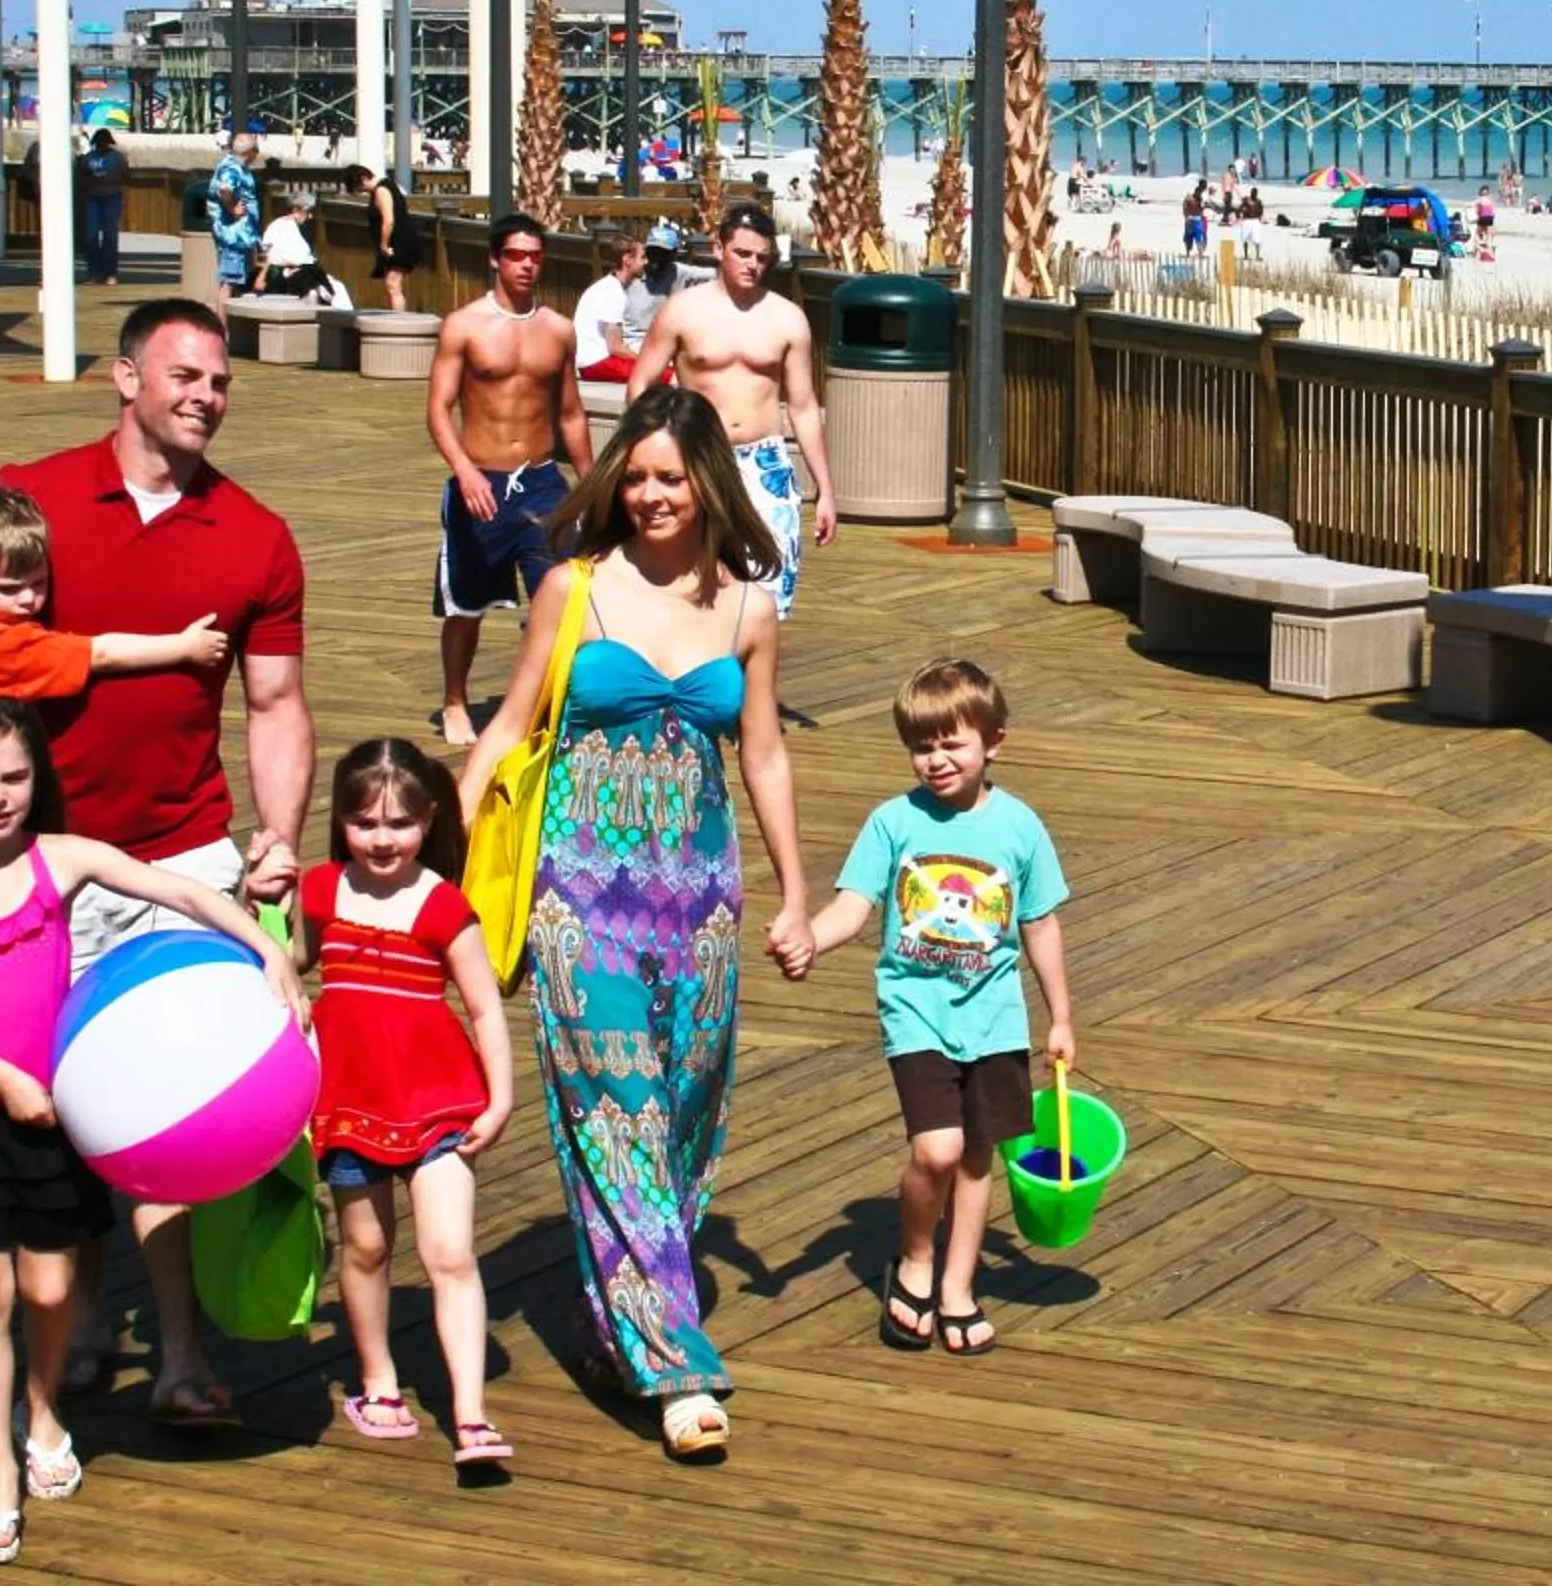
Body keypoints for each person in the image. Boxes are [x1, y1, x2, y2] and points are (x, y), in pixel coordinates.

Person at [0, 296, 314, 1424]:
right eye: (183, 375)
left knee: (168, 1097)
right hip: (31, 868)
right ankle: (71, 1326)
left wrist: (279, 836)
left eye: (219, 382)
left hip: (184, 850)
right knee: (47, 1105)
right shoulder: (30, 497)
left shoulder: (256, 535)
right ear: (125, 377)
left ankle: (177, 1353)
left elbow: (274, 702)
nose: (204, 397)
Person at [456, 385, 809, 1459]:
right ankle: (676, 1367)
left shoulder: (751, 605)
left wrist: (794, 890)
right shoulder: (572, 587)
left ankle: (615, 1313)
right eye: (640, 475)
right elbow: (507, 725)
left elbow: (764, 753)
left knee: (686, 1111)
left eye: (674, 477)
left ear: (710, 484)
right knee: (619, 1114)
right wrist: (437, 875)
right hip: (581, 894)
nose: (655, 495)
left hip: (700, 901)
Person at [0, 696, 300, 1566]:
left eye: (13, 777)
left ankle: (41, 1412)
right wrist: (3, 1080)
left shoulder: (62, 861)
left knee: (47, 1295)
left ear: (37, 781)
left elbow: (180, 888)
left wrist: (267, 950)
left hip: (50, 1123)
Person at [0, 485, 234, 1028]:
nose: (28, 601)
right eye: (11, 589)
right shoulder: (13, 647)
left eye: (38, 584)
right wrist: (182, 647)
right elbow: (103, 651)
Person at [775, 660, 1074, 1358]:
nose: (935, 760)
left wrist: (1060, 1016)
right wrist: (809, 939)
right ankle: (914, 1259)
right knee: (935, 1150)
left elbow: (1040, 925)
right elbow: (855, 905)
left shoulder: (1020, 827)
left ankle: (958, 1286)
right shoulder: (892, 822)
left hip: (996, 1017)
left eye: (952, 744)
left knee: (976, 1158)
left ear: (993, 741)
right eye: (921, 745)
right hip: (917, 1011)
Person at [298, 740, 514, 1467]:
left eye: (399, 823)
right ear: (340, 822)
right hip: (348, 1103)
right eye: (363, 823)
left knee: (449, 1252)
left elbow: (484, 1010)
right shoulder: (319, 893)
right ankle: (378, 1377)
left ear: (429, 820)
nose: (382, 839)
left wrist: (502, 1097)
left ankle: (470, 1413)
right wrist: (258, 898)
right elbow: (285, 961)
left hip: (440, 1103)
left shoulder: (445, 907)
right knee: (365, 1246)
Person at [427, 214, 594, 746]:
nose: (527, 264)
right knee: (466, 606)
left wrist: (590, 484)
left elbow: (570, 413)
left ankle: (545, 703)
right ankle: (455, 701)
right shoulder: (464, 325)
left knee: (561, 594)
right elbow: (438, 408)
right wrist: (465, 470)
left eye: (535, 255)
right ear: (496, 259)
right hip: (482, 481)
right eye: (517, 255)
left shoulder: (559, 330)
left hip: (543, 481)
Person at [626, 202, 835, 621]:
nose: (753, 265)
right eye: (743, 254)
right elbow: (641, 386)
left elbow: (804, 406)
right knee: (692, 580)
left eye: (762, 258)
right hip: (699, 455)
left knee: (771, 587)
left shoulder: (787, 318)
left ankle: (754, 684)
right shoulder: (683, 310)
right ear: (719, 249)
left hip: (764, 461)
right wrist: (643, 457)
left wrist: (825, 488)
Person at [573, 226, 679, 384]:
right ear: (627, 260)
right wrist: (645, 360)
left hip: (591, 360)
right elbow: (615, 346)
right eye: (642, 257)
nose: (647, 262)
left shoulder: (609, 285)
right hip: (595, 363)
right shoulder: (613, 292)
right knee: (669, 375)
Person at [352, 163, 420, 311]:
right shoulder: (385, 186)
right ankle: (398, 319)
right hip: (399, 241)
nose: (360, 191)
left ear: (363, 179)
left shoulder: (381, 190)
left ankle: (399, 322)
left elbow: (388, 220)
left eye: (358, 187)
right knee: (392, 284)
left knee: (393, 283)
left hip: (400, 242)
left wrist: (384, 244)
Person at [207, 131, 261, 315]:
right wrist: (233, 209)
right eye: (257, 149)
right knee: (228, 283)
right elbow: (225, 189)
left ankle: (232, 329)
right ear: (250, 152)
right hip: (233, 235)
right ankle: (224, 331)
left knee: (236, 282)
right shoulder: (233, 168)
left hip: (241, 234)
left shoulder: (233, 166)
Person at [78, 130, 129, 286]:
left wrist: (124, 196)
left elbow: (126, 177)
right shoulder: (88, 159)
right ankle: (94, 273)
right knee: (91, 236)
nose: (102, 145)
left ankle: (111, 273)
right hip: (92, 199)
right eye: (99, 143)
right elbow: (81, 178)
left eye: (105, 142)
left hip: (112, 197)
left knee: (110, 237)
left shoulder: (118, 158)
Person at [252, 190, 322, 297]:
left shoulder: (304, 229)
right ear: (296, 210)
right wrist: (261, 277)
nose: (311, 217)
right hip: (281, 277)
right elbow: (266, 254)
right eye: (308, 212)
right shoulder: (277, 227)